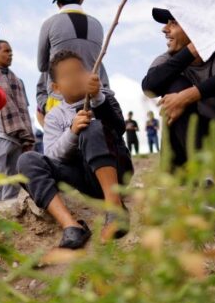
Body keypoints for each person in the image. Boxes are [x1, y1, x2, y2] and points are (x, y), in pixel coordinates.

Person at [18, 51, 131, 249]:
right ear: (56, 88)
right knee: (27, 160)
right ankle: (71, 226)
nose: (76, 77)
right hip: (82, 181)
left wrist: (97, 99)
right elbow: (52, 156)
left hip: (115, 173)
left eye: (79, 71)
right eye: (67, 75)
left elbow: (118, 129)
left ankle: (115, 209)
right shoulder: (54, 116)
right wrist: (72, 132)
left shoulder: (105, 99)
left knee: (92, 127)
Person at [141, 8, 215, 169]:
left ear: (194, 29)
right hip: (187, 154)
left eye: (173, 23)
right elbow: (149, 87)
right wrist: (191, 51)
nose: (165, 29)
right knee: (175, 85)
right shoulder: (167, 59)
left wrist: (189, 95)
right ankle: (197, 172)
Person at [35, 0, 109, 124]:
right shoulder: (97, 25)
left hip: (61, 100)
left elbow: (42, 66)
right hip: (91, 99)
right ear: (81, 0)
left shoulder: (49, 23)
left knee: (63, 138)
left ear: (58, 3)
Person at [0, 40, 35, 201]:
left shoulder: (18, 80)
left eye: (11, 51)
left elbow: (24, 108)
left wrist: (28, 137)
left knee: (14, 178)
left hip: (19, 134)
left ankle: (8, 210)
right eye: (6, 51)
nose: (10, 54)